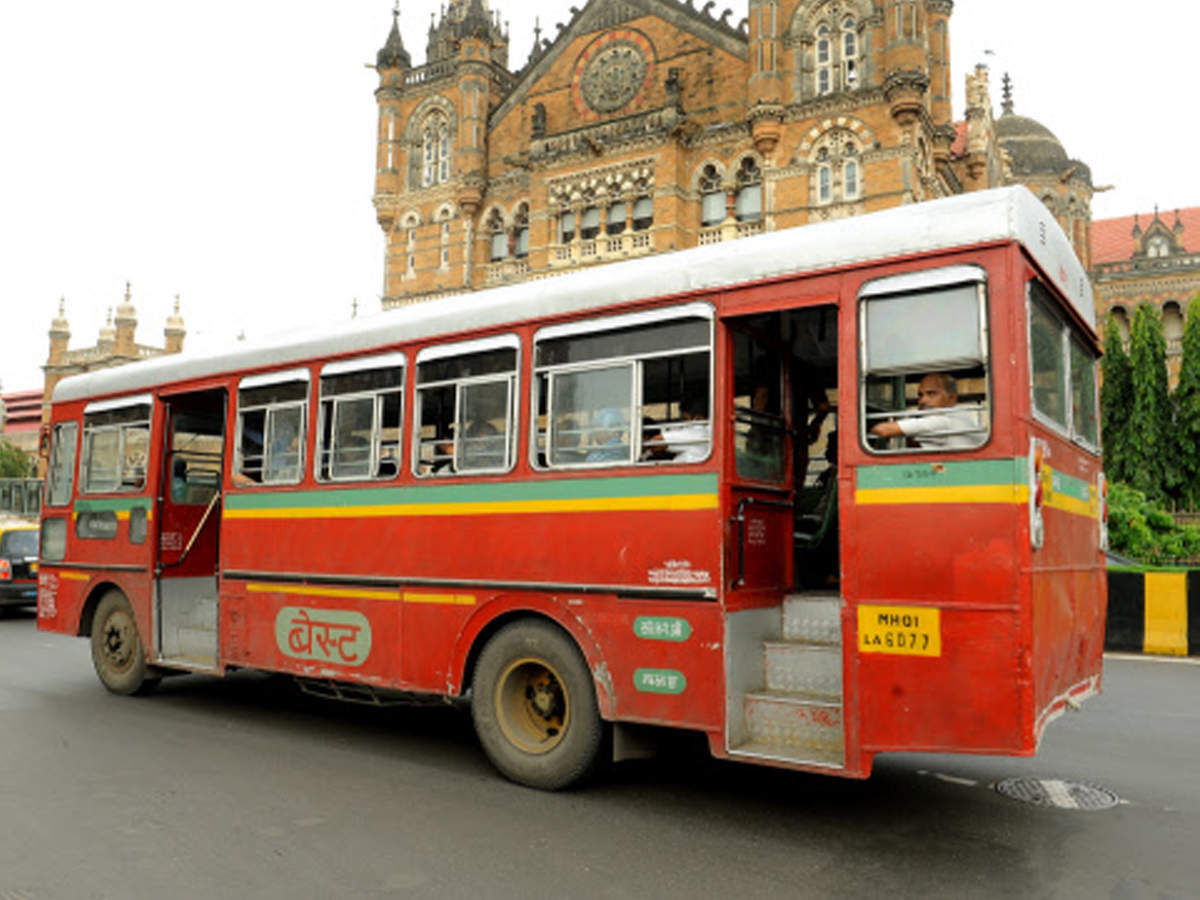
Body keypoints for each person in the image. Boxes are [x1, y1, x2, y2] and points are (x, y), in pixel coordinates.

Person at [869, 372, 984, 449]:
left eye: (931, 394)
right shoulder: (962, 418)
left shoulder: (943, 422)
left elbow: (882, 430)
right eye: (920, 395)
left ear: (951, 398)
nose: (923, 400)